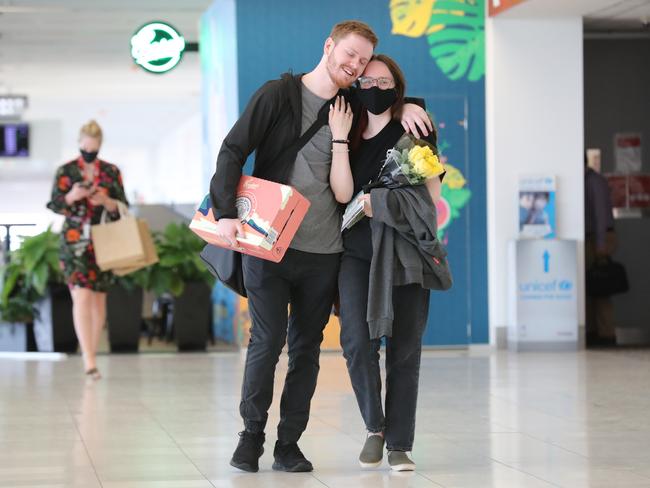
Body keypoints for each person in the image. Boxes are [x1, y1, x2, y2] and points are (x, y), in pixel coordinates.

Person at [210, 20, 432, 473]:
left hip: (325, 250)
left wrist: (409, 104)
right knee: (266, 342)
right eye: (349, 55)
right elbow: (233, 149)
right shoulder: (280, 95)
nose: (355, 66)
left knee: (307, 349)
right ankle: (250, 436)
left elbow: (384, 104)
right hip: (269, 244)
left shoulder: (352, 101)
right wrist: (226, 213)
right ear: (329, 46)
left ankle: (288, 444)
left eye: (362, 60)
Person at [328, 54, 446, 471]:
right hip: (356, 253)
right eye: (366, 81)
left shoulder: (415, 128)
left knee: (405, 348)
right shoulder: (347, 128)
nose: (374, 88)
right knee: (357, 343)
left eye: (384, 82)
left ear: (397, 86)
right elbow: (341, 195)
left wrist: (379, 203)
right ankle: (374, 428)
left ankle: (399, 444)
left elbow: (430, 195)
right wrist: (340, 139)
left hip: (405, 252)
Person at [47, 120, 128, 379]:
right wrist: (73, 195)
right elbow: (55, 204)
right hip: (74, 242)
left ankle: (92, 351)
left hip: (104, 240)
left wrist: (105, 200)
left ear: (100, 146)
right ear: (79, 144)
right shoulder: (66, 171)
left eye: (94, 148)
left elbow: (122, 207)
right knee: (81, 296)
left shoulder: (111, 171)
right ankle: (89, 359)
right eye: (86, 148)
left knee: (98, 299)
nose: (89, 152)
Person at [584, 152, 617, 345]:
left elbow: (600, 216)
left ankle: (606, 334)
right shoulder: (589, 180)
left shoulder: (593, 182)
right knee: (591, 286)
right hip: (594, 238)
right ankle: (592, 331)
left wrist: (601, 245)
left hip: (599, 237)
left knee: (601, 287)